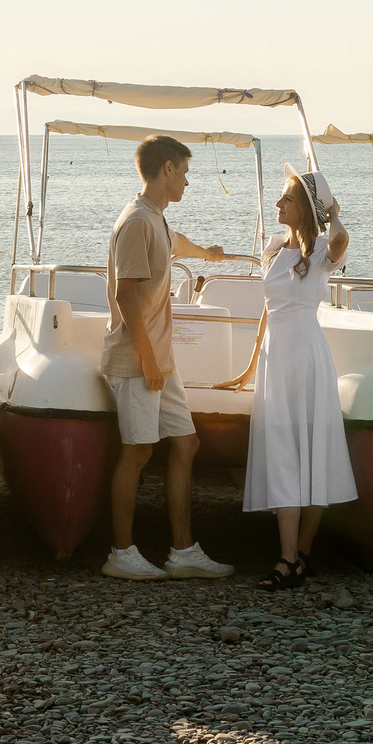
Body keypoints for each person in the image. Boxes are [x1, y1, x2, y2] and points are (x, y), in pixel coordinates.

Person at [100, 134, 237, 582]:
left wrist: (208, 254)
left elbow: (174, 242)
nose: (188, 181)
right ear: (167, 170)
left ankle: (183, 551)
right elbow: (126, 295)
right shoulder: (137, 220)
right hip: (139, 358)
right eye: (185, 172)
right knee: (137, 451)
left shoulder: (155, 217)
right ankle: (120, 553)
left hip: (161, 358)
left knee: (186, 442)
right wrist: (147, 360)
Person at [247, 167, 355, 589]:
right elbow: (267, 311)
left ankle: (297, 556)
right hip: (276, 358)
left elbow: (343, 238)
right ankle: (290, 557)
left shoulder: (326, 248)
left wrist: (333, 210)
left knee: (314, 452)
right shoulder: (273, 248)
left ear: (305, 210)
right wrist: (247, 368)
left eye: (286, 200)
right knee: (283, 452)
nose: (277, 205)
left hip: (307, 356)